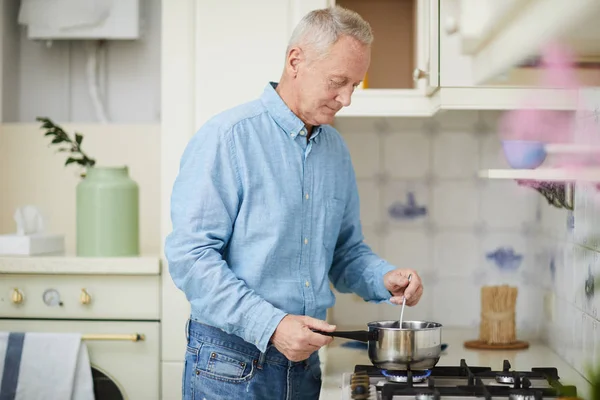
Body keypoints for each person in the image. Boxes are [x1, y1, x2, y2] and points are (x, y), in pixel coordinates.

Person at [165, 5, 424, 400]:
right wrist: (271, 325)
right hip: (228, 363)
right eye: (338, 81)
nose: (347, 99)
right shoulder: (228, 137)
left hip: (304, 365)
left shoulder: (335, 150)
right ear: (295, 61)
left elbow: (344, 251)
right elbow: (191, 256)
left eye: (355, 85)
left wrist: (382, 277)